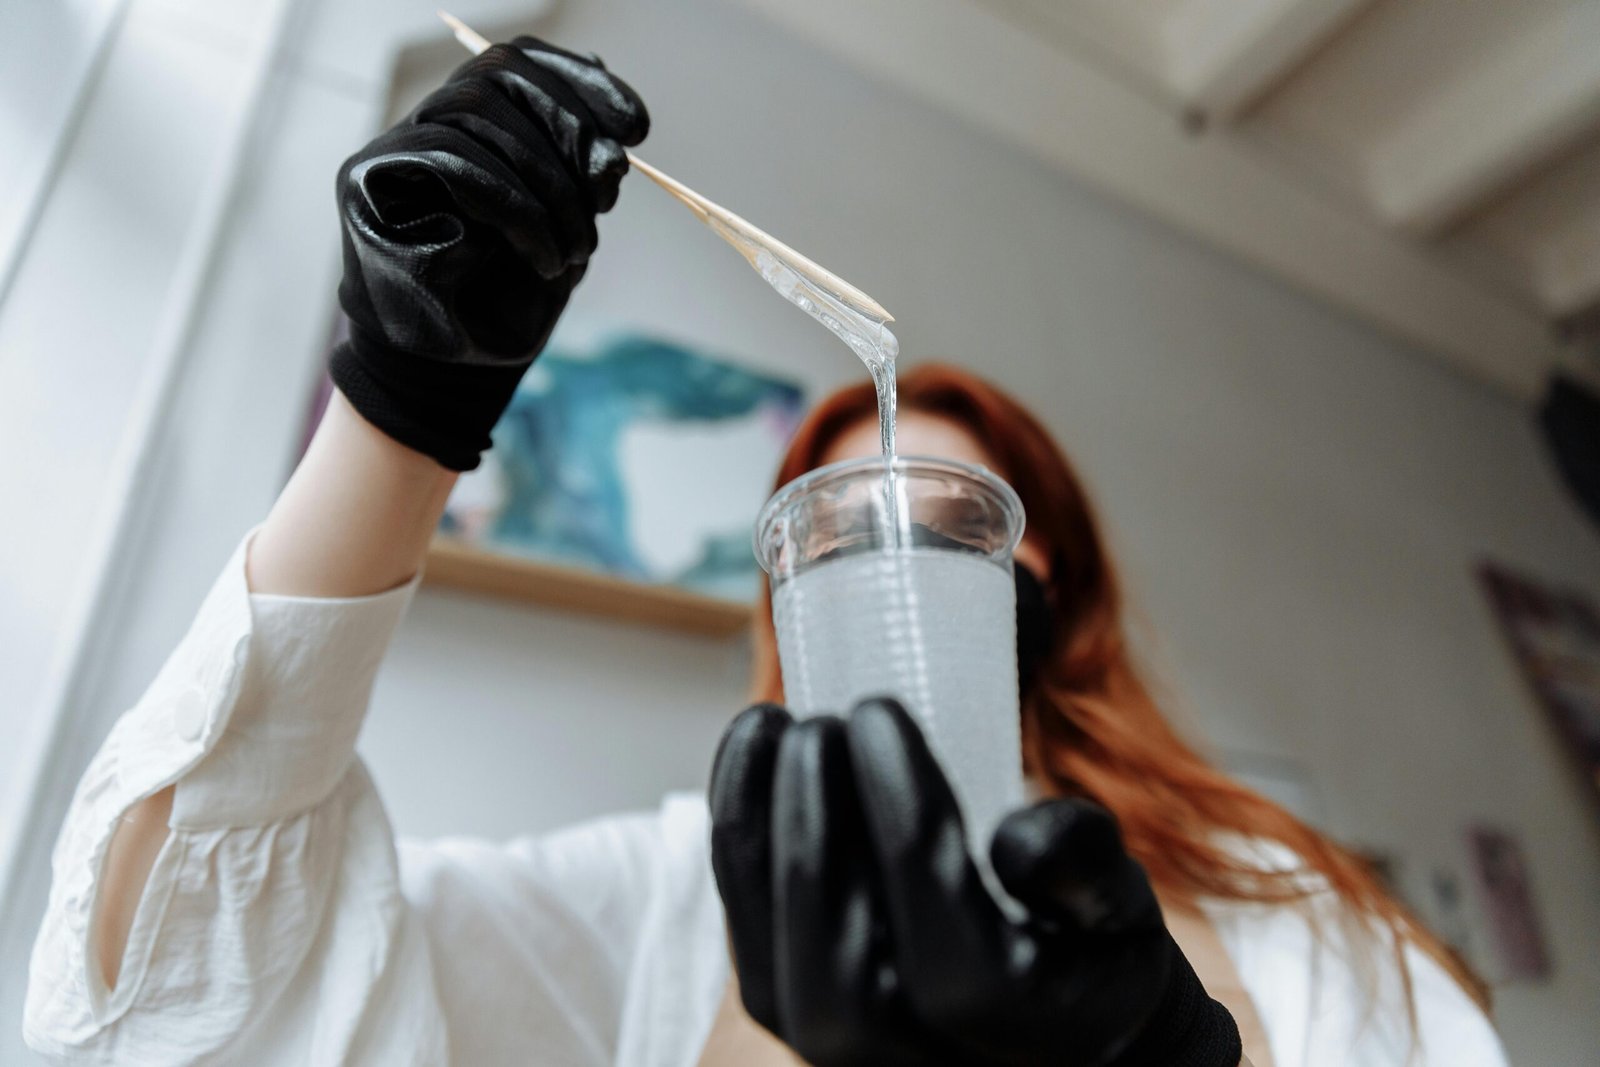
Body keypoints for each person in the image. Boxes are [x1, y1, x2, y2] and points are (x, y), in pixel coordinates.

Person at [21, 34, 1506, 1067]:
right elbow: (191, 995)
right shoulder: (664, 900)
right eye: (833, 533)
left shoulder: (1300, 917)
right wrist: (404, 411)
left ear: (1041, 583)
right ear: (783, 604)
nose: (885, 562)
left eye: (942, 518)